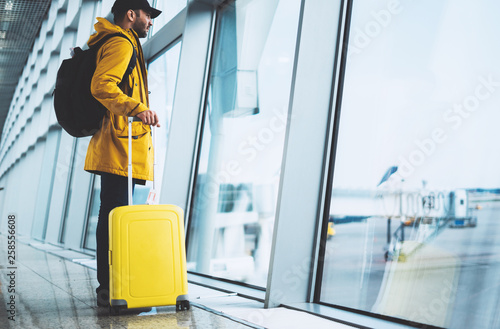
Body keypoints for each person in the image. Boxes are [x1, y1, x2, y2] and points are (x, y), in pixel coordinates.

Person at [83, 0, 161, 307]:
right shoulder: (121, 43)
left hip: (118, 143)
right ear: (131, 14)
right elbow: (102, 85)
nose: (150, 22)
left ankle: (112, 287)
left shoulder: (117, 41)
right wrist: (138, 108)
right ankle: (112, 289)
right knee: (114, 217)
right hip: (119, 147)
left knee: (113, 216)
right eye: (148, 15)